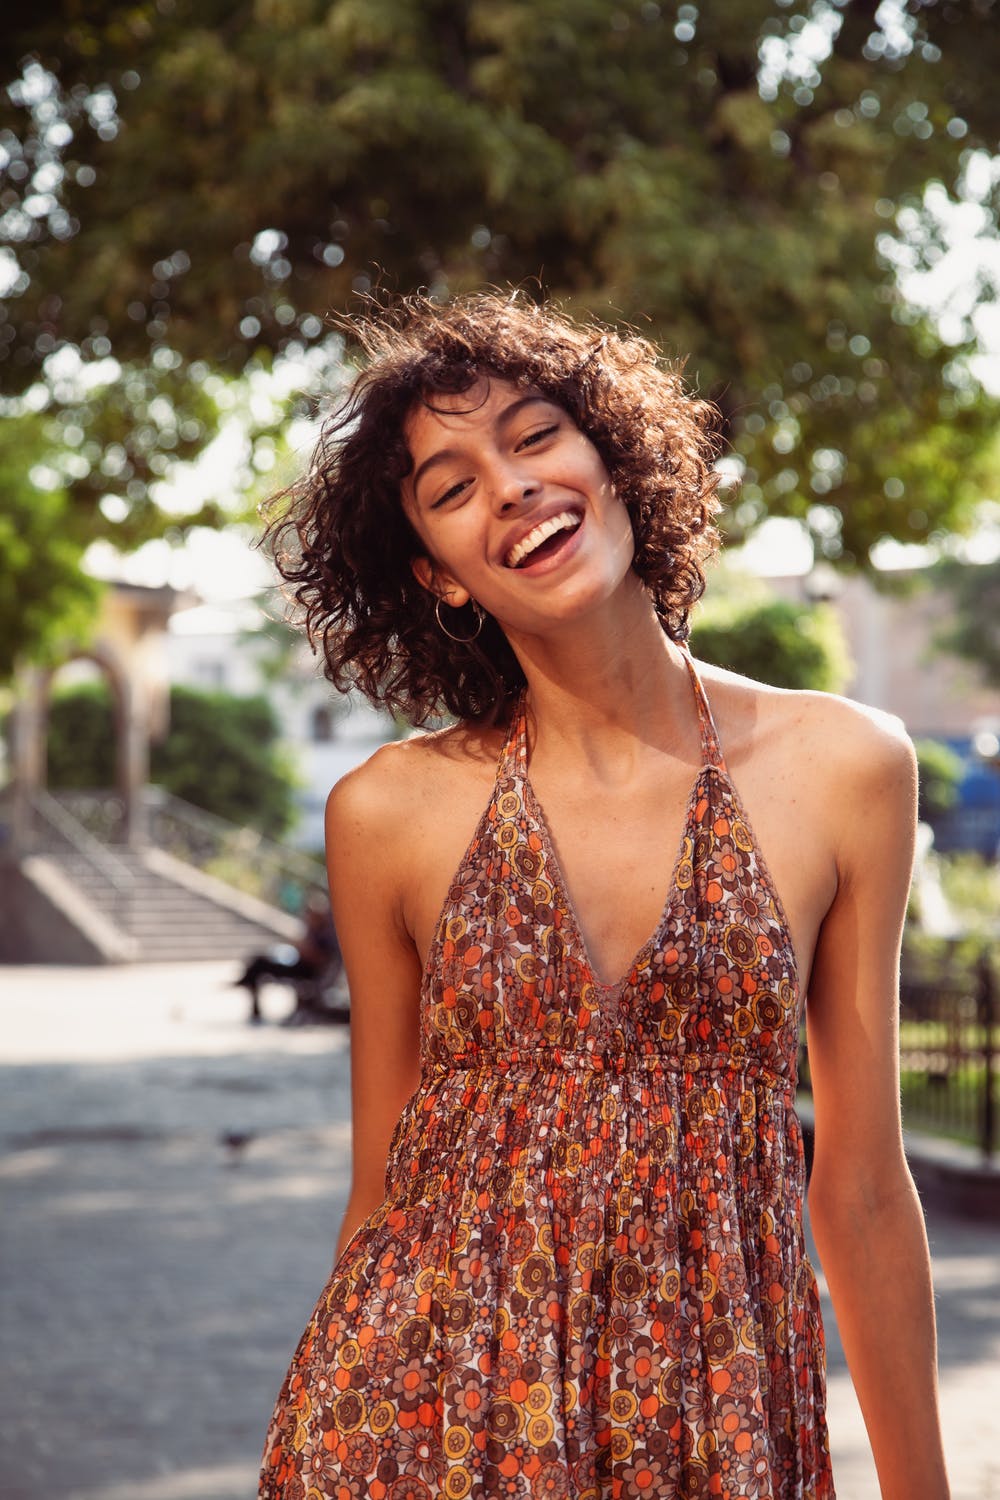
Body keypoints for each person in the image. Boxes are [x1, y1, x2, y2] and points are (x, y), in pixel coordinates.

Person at [257, 293, 949, 1499]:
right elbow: (381, 1193)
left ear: (615, 463)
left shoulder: (847, 766)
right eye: (452, 485)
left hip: (715, 1410)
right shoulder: (387, 813)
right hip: (431, 1418)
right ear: (440, 576)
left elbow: (861, 1183)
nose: (511, 486)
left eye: (534, 438)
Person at [234, 890, 342, 1023]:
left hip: (306, 972)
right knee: (260, 960)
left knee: (260, 963)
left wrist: (304, 948)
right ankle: (247, 982)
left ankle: (244, 980)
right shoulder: (313, 931)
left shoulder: (326, 936)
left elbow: (321, 959)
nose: (308, 917)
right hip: (299, 966)